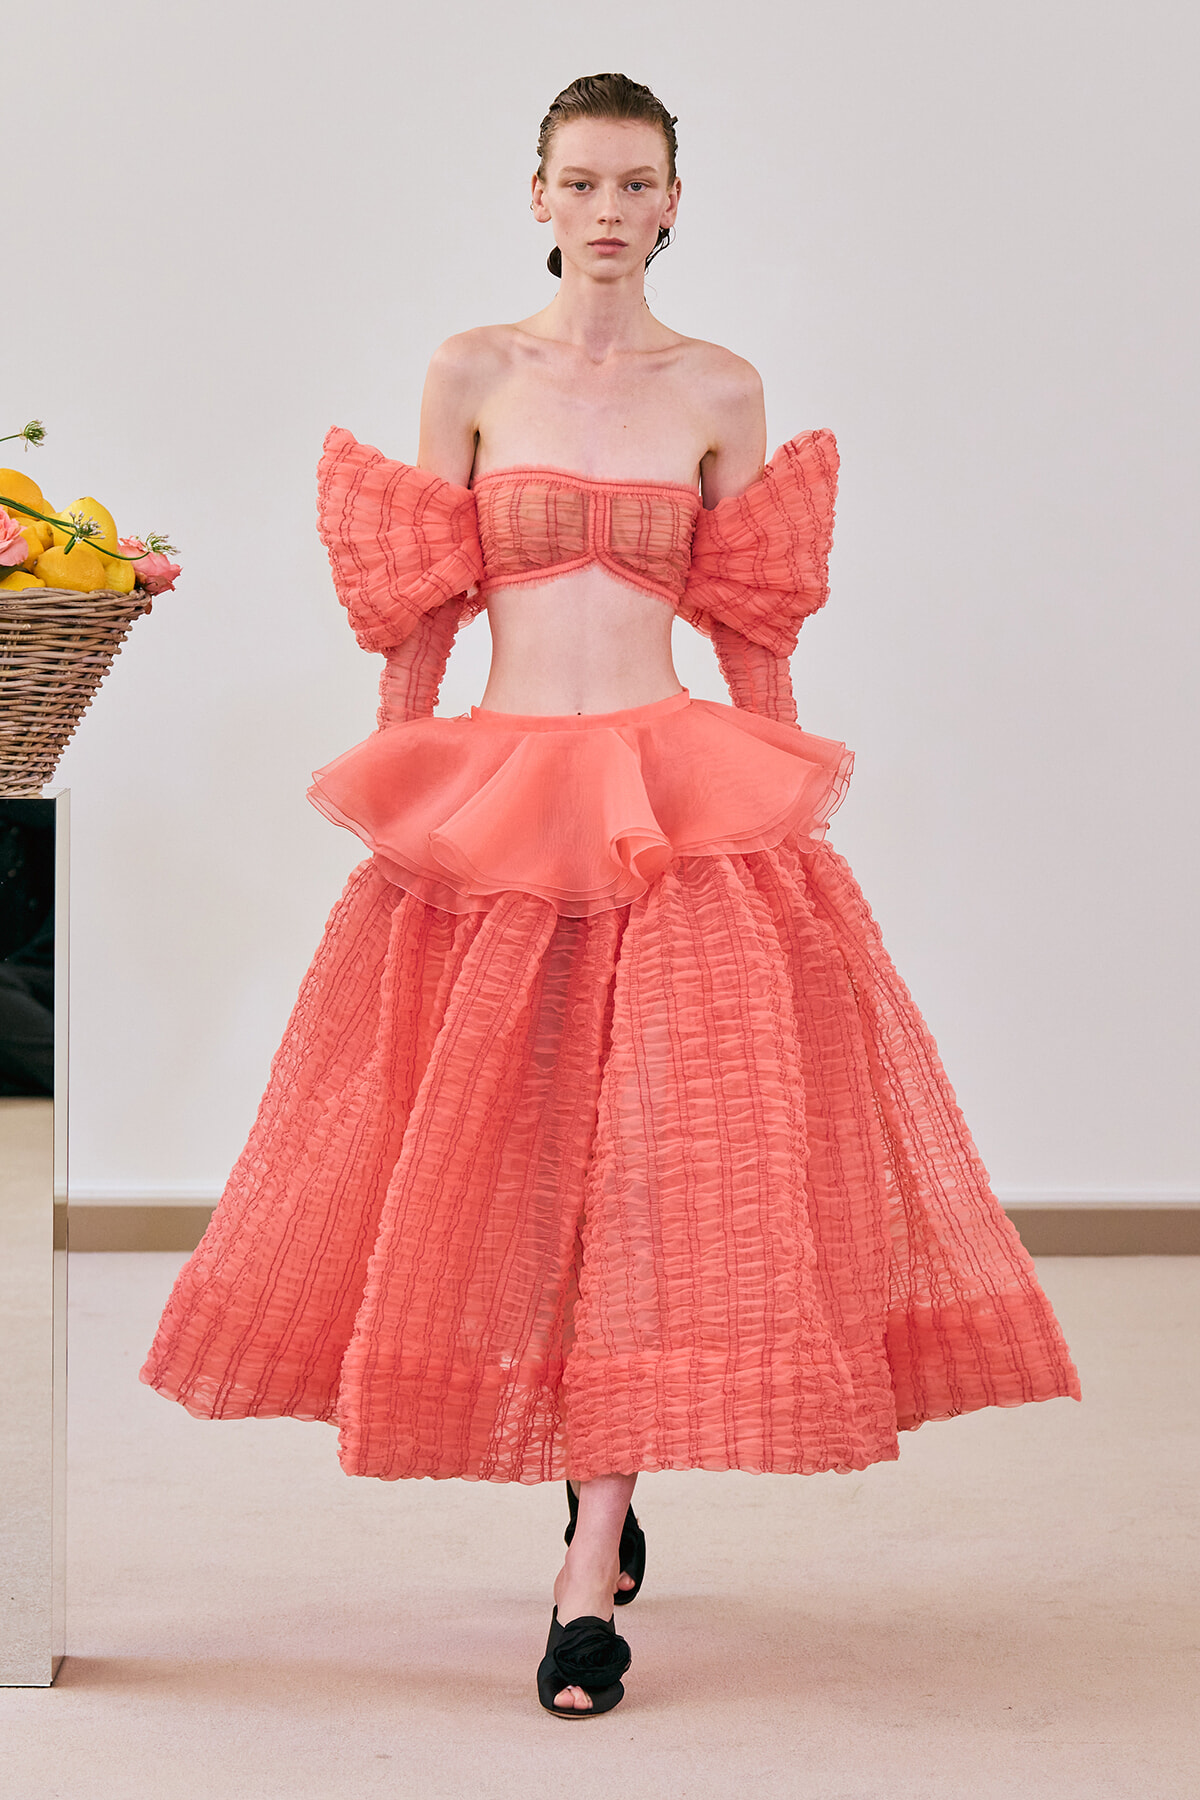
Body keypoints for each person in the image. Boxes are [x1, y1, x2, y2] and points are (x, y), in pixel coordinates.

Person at [141, 72, 1081, 1719]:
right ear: (536, 196)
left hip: (669, 812)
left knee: (659, 1177)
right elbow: (418, 610)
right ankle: (594, 1480)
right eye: (576, 180)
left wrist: (785, 830)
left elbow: (758, 626)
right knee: (509, 1169)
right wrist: (403, 801)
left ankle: (592, 1564)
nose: (602, 208)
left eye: (631, 182)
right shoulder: (470, 373)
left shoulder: (717, 386)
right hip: (503, 806)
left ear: (669, 202)